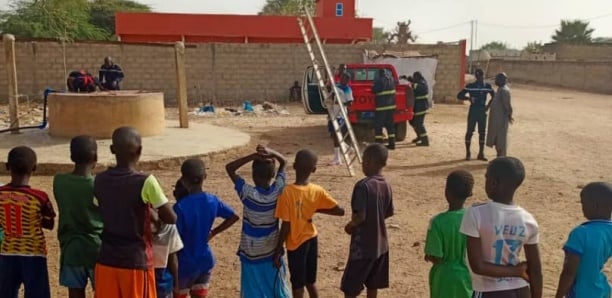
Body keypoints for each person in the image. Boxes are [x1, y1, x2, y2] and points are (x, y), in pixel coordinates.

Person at [93, 127, 177, 298]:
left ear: (112, 150)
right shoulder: (146, 181)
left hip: (106, 260)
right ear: (140, 150)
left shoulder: (99, 180)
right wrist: (153, 216)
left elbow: (99, 208)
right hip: (136, 261)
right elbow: (171, 217)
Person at [460, 157, 542, 298]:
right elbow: (535, 270)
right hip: (521, 291)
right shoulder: (528, 220)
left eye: (486, 178)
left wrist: (516, 271)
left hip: (489, 291)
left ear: (493, 183)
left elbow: (478, 266)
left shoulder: (476, 213)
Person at [274, 149, 345, 298]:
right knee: (310, 282)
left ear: (294, 166)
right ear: (314, 169)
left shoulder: (286, 193)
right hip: (312, 238)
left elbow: (286, 225)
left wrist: (278, 247)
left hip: (296, 243)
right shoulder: (317, 190)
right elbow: (340, 211)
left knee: (297, 285)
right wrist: (316, 209)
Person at [225, 145, 291, 298]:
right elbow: (285, 162)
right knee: (275, 287)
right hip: (272, 250)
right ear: (273, 174)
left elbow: (229, 168)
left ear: (253, 175)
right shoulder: (278, 191)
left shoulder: (248, 194)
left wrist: (252, 156)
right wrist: (271, 151)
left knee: (253, 289)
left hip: (250, 253)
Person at [174, 159, 240, 298]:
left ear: (183, 180)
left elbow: (174, 242)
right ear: (205, 177)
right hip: (205, 261)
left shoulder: (180, 207)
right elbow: (233, 217)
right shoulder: (212, 200)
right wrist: (214, 232)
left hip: (184, 265)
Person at [0, 146, 56, 298]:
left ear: (7, 167)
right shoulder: (39, 197)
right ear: (35, 168)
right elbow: (50, 223)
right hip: (34, 253)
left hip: (6, 252)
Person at [341, 144, 394, 298]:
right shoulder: (386, 185)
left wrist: (349, 226)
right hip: (381, 245)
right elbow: (386, 213)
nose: (362, 164)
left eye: (363, 160)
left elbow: (360, 216)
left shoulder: (363, 186)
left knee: (350, 288)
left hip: (362, 247)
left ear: (370, 161)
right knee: (373, 285)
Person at [53, 136, 102, 298]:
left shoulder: (59, 181)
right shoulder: (98, 185)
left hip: (70, 247)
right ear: (95, 157)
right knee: (103, 291)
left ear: (72, 157)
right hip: (97, 246)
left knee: (74, 292)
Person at [555, 182, 612, 298]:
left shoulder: (580, 233)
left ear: (595, 206)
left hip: (581, 292)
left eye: (584, 203)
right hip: (602, 290)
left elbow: (569, 272)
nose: (582, 208)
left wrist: (559, 296)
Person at [425, 170, 474, 298]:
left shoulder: (437, 222)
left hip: (444, 279)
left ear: (446, 192)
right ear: (470, 194)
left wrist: (429, 255)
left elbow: (437, 257)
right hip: (469, 276)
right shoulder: (474, 219)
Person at [457, 68, 495, 161]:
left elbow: (494, 96)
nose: (480, 78)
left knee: (482, 133)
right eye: (478, 76)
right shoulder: (470, 86)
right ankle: (468, 153)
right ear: (476, 76)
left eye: (481, 76)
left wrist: (488, 106)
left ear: (483, 76)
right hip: (473, 110)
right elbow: (459, 95)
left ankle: (481, 153)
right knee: (469, 132)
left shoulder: (487, 86)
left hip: (482, 110)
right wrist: (468, 98)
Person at [151, 208, 183, 298]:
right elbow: (173, 260)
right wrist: (176, 286)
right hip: (163, 283)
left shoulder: (133, 226)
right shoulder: (169, 226)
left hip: (141, 282)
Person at [328, 72, 354, 166]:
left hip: (340, 115)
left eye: (344, 78)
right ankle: (348, 149)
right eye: (342, 77)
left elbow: (350, 103)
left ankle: (337, 158)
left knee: (336, 135)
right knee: (333, 135)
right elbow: (332, 96)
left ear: (347, 80)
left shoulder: (347, 89)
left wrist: (340, 104)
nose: (342, 79)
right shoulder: (337, 86)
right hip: (333, 114)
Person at [486, 73, 514, 158]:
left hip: (501, 120)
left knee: (501, 140)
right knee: (497, 139)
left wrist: (509, 116)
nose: (496, 81)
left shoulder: (504, 91)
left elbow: (507, 105)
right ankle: (499, 158)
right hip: (496, 120)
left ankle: (502, 158)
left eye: (498, 79)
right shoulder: (500, 89)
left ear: (503, 80)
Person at [372, 69, 397, 150]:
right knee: (390, 126)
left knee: (378, 126)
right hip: (391, 107)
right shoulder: (392, 79)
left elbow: (374, 90)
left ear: (380, 74)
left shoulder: (379, 80)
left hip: (381, 107)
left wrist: (373, 86)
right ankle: (392, 144)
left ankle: (378, 145)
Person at [410, 71, 430, 146]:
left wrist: (412, 84)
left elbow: (418, 87)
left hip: (421, 107)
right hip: (417, 107)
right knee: (413, 122)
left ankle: (425, 141)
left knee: (419, 124)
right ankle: (419, 136)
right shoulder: (419, 82)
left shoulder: (422, 83)